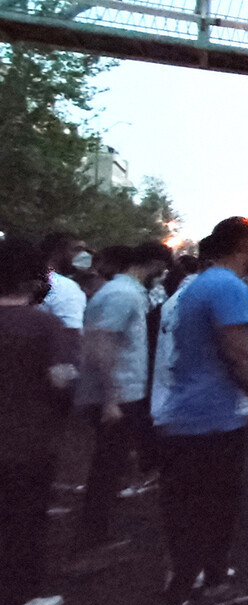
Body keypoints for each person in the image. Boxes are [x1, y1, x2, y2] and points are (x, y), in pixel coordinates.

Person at [148, 217, 248, 605]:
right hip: (206, 419)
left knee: (216, 507)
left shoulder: (197, 285)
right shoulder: (227, 287)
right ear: (244, 247)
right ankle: (174, 604)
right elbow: (239, 354)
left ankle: (217, 581)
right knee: (199, 511)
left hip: (196, 415)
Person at [71, 241, 172, 568]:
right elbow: (102, 343)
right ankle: (91, 543)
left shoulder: (122, 291)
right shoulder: (123, 295)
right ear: (154, 263)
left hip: (120, 394)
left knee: (111, 465)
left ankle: (96, 537)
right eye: (162, 268)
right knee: (106, 468)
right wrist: (112, 398)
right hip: (117, 395)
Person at [0, 239, 77, 605]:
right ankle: (16, 600)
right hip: (28, 440)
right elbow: (61, 380)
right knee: (24, 520)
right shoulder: (45, 325)